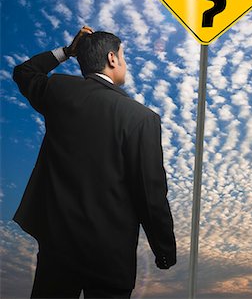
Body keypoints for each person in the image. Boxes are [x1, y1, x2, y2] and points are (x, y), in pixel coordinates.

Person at [12, 26, 176, 299]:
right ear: (112, 58)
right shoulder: (142, 118)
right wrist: (164, 251)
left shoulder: (59, 90)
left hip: (57, 250)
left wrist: (67, 51)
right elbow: (151, 194)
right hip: (110, 256)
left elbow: (24, 72)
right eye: (123, 56)